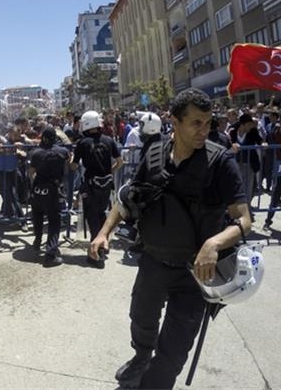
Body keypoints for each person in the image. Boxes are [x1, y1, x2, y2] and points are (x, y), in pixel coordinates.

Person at [89, 88, 251, 389]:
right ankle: (140, 356)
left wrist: (213, 244)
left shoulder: (220, 163)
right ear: (174, 122)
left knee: (173, 353)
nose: (204, 130)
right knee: (141, 318)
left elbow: (244, 219)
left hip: (195, 273)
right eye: (196, 123)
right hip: (153, 261)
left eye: (208, 123)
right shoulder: (153, 154)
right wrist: (103, 233)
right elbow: (127, 199)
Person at [70, 110, 123, 268]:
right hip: (106, 184)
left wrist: (69, 160)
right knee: (102, 215)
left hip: (91, 185)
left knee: (92, 218)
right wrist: (109, 171)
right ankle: (103, 245)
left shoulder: (82, 143)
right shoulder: (108, 140)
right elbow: (120, 162)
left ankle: (96, 254)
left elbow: (73, 166)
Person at [27, 127, 71, 267]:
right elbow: (70, 162)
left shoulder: (36, 153)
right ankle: (50, 254)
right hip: (53, 189)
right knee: (54, 221)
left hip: (39, 189)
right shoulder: (62, 152)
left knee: (37, 215)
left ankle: (37, 241)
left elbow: (31, 172)